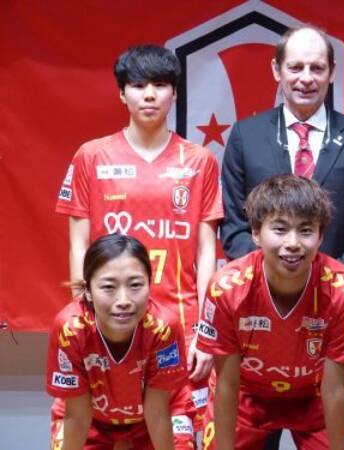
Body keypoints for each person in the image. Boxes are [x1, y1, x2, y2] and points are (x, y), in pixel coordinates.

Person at [220, 25, 344, 443]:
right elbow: (235, 223)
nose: (306, 78)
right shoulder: (245, 136)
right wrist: (267, 284)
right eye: (295, 67)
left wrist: (329, 291)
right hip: (259, 317)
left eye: (317, 68)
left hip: (334, 317)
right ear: (276, 70)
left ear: (332, 71)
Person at [55, 44, 223, 441]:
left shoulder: (199, 160)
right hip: (109, 322)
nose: (149, 95)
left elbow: (207, 251)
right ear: (121, 93)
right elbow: (79, 246)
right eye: (138, 85)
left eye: (160, 85)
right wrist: (85, 317)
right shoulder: (91, 156)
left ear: (174, 93)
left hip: (180, 326)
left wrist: (206, 331)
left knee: (179, 437)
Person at [197, 174, 344, 450]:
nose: (293, 242)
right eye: (280, 229)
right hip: (246, 395)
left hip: (315, 395)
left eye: (306, 230)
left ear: (321, 236)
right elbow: (227, 385)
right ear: (255, 233)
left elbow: (335, 388)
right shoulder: (226, 289)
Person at [47, 234, 187, 449]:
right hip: (92, 421)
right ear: (88, 291)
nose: (123, 301)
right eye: (108, 287)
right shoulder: (70, 330)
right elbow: (78, 416)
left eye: (135, 285)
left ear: (150, 285)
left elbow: (158, 412)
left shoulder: (164, 328)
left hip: (161, 416)